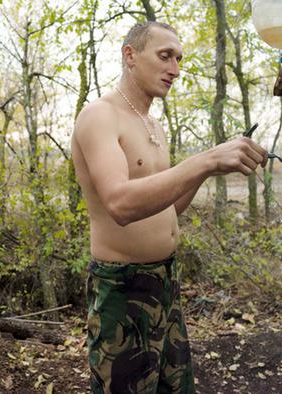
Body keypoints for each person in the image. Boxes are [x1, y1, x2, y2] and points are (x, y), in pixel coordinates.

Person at [71, 21, 268, 394]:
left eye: (178, 59)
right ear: (130, 55)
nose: (175, 69)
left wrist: (206, 169)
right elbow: (120, 204)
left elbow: (169, 208)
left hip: (166, 283)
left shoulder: (154, 125)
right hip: (122, 291)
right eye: (165, 57)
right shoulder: (100, 115)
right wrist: (206, 161)